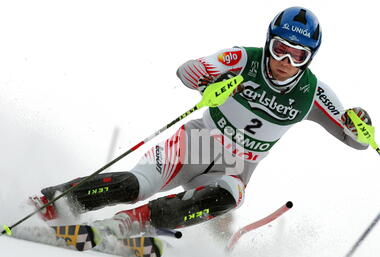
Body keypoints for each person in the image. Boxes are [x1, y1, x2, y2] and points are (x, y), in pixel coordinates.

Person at [32, 7, 371, 244]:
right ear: (269, 40)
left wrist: (361, 125)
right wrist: (207, 81)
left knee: (231, 196)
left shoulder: (313, 93)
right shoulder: (242, 59)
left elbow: (355, 139)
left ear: (310, 56)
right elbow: (187, 70)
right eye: (280, 49)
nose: (284, 62)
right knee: (139, 184)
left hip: (236, 167)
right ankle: (50, 204)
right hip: (193, 145)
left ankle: (127, 225)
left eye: (297, 55)